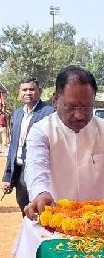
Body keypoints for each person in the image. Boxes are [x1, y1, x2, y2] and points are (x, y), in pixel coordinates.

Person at [23, 66, 104, 221]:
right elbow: (36, 166)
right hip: (54, 217)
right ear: (55, 100)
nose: (79, 115)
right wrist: (40, 193)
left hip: (97, 222)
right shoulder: (41, 131)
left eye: (87, 107)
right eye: (71, 107)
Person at [2, 77, 55, 219]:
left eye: (32, 89)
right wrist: (8, 176)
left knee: (41, 210)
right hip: (19, 172)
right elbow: (14, 146)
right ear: (19, 92)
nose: (28, 92)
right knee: (24, 207)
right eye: (24, 90)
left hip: (38, 170)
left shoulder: (49, 112)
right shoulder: (18, 113)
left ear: (40, 91)